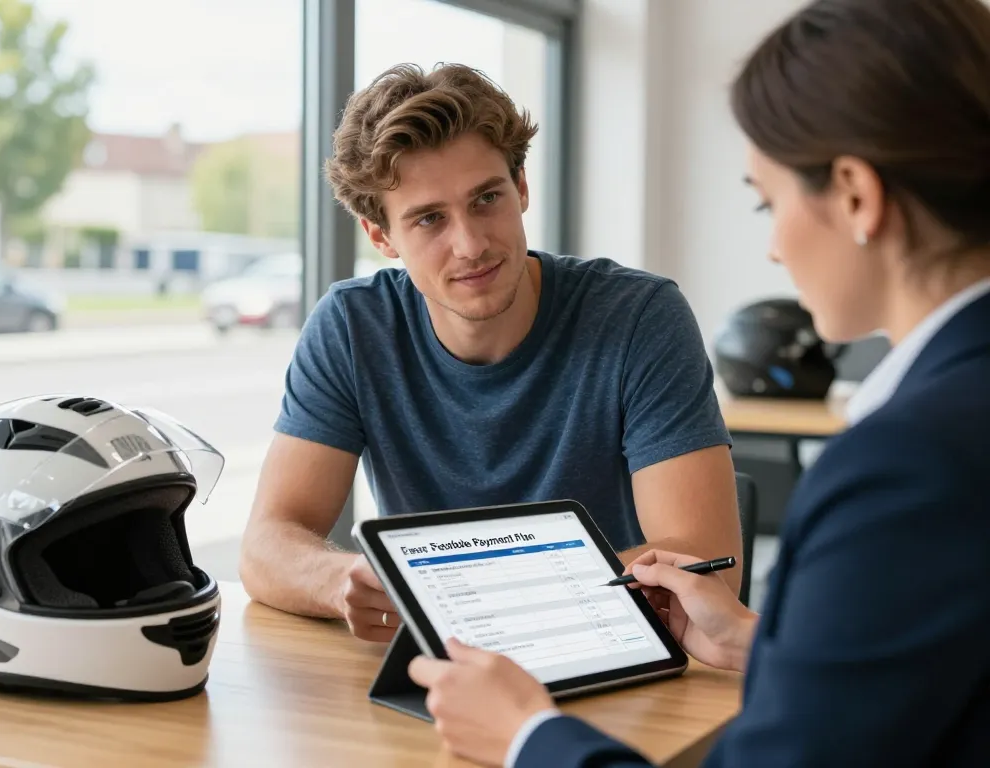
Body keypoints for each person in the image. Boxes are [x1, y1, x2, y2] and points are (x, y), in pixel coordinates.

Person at [406, 0, 990, 765]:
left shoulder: (908, 466)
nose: (774, 247)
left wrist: (525, 736)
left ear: (856, 195)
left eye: (768, 201)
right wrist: (759, 642)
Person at [239, 62, 744, 640]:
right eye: (430, 219)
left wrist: (458, 597)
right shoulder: (353, 326)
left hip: (611, 648)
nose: (471, 244)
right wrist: (339, 580)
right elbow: (265, 546)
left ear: (521, 188)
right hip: (444, 663)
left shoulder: (638, 316)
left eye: (486, 199)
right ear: (381, 236)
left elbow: (704, 564)